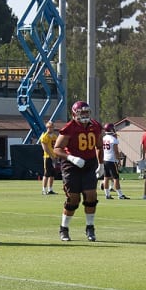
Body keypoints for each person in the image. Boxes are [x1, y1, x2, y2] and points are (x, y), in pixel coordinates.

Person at [52, 101, 104, 242]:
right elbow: (56, 149)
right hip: (72, 166)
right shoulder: (69, 128)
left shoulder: (96, 126)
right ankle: (64, 228)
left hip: (89, 164)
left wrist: (101, 164)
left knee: (91, 196)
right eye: (82, 113)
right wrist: (71, 158)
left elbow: (99, 146)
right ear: (74, 113)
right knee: (73, 199)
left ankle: (90, 227)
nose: (85, 115)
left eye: (87, 112)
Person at [101, 123, 129, 200]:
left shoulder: (103, 138)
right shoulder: (113, 139)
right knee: (116, 178)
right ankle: (120, 195)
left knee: (106, 177)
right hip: (112, 160)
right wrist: (118, 160)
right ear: (111, 129)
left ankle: (107, 194)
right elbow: (116, 151)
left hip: (105, 159)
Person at [39, 121, 58, 195]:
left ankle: (50, 189)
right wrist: (51, 156)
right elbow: (45, 148)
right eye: (49, 127)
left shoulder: (54, 136)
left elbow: (56, 147)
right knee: (46, 173)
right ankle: (44, 189)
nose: (50, 128)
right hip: (47, 157)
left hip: (54, 156)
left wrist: (56, 156)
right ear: (47, 127)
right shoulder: (45, 136)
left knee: (52, 174)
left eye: (52, 127)